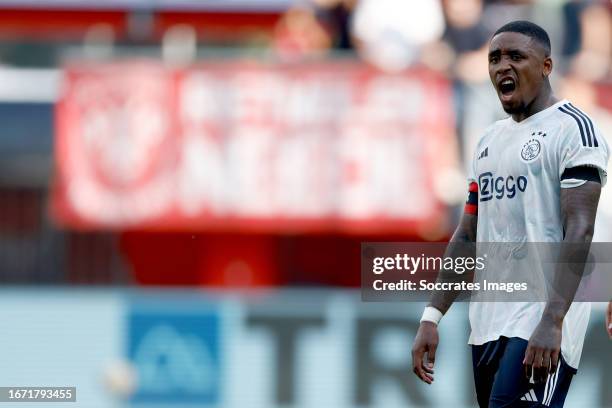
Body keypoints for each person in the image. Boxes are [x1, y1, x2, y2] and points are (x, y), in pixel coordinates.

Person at [411, 21, 609, 407]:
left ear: (547, 66)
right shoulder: (488, 142)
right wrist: (431, 317)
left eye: (516, 57)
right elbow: (467, 236)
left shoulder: (575, 131)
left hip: (542, 317)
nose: (503, 66)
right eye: (495, 58)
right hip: (487, 323)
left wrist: (553, 321)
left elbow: (580, 231)